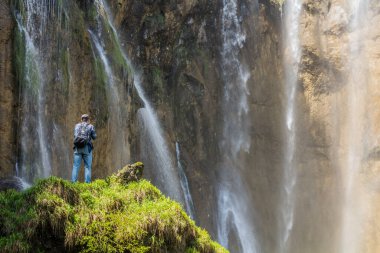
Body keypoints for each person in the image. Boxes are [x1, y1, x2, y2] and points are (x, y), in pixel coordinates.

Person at [71, 114, 96, 183]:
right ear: (88, 120)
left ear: (81, 119)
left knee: (76, 166)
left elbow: (75, 136)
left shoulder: (77, 126)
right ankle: (87, 183)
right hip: (87, 148)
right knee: (87, 166)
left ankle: (73, 182)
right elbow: (94, 137)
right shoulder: (90, 126)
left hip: (77, 148)